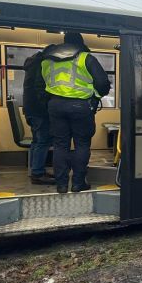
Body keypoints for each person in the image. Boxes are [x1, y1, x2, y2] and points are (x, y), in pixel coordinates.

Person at [37, 32, 111, 193]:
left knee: (60, 145)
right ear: (81, 43)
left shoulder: (47, 60)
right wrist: (96, 97)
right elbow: (103, 83)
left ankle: (62, 185)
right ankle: (78, 183)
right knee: (82, 144)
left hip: (55, 105)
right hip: (80, 105)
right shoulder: (86, 58)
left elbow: (41, 83)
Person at [22, 46, 56, 185]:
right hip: (39, 110)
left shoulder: (33, 63)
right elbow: (40, 89)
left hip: (30, 108)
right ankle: (37, 173)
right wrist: (48, 106)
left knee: (37, 141)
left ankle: (36, 170)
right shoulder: (42, 64)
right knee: (43, 141)